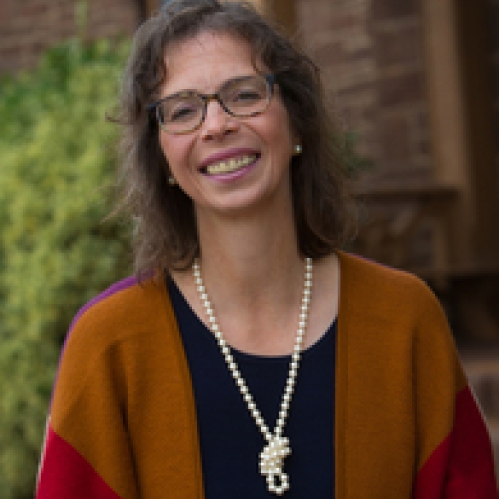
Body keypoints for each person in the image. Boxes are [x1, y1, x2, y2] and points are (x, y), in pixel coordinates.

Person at [35, 0, 498, 497]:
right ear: (162, 155)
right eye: (184, 110)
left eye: (244, 94)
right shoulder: (109, 346)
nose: (216, 125)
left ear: (297, 122)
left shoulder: (406, 320)